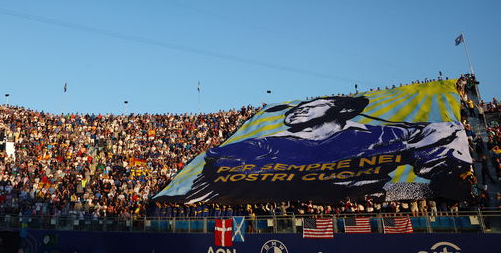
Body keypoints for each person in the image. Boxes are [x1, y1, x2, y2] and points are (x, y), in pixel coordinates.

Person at [184, 96, 473, 204]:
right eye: (295, 109)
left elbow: (440, 134)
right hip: (311, 204)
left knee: (404, 192)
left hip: (368, 202)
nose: (297, 111)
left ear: (342, 109)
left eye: (308, 106)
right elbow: (221, 167)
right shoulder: (263, 143)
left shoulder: (385, 133)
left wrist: (436, 179)